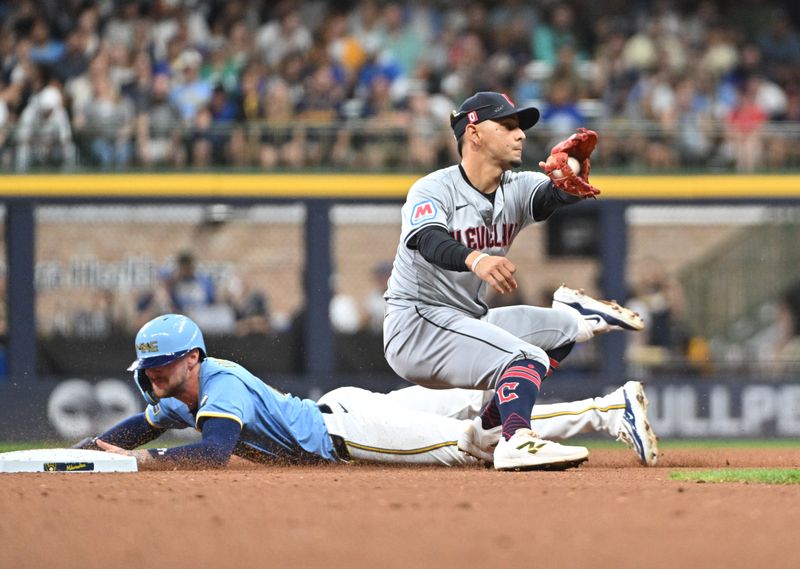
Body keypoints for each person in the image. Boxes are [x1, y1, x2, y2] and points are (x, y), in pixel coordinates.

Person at [383, 91, 644, 471]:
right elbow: (427, 240)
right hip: (417, 325)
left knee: (565, 329)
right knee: (526, 356)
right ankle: (516, 439)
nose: (519, 134)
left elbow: (549, 196)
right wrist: (476, 258)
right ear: (473, 134)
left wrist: (566, 185)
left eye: (519, 127)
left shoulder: (515, 187)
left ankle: (490, 427)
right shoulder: (433, 189)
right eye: (506, 126)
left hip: (468, 320)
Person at [75, 314, 658, 469]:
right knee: (468, 410)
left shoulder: (218, 382)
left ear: (192, 359)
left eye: (163, 365)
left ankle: (609, 408)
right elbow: (138, 426)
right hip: (344, 403)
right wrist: (91, 449)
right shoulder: (183, 392)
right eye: (149, 367)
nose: (153, 375)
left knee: (477, 441)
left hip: (348, 433)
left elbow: (212, 452)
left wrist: (140, 464)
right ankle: (611, 404)